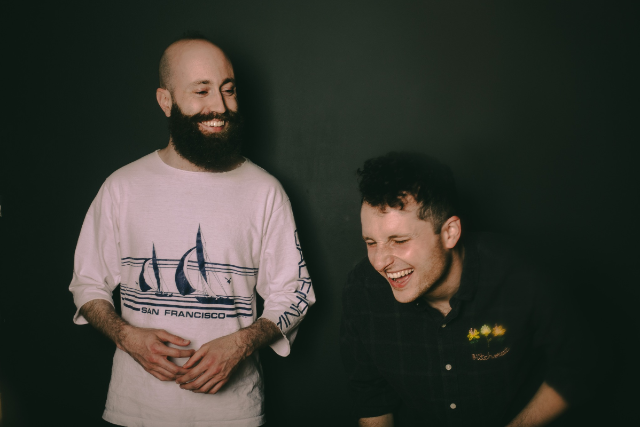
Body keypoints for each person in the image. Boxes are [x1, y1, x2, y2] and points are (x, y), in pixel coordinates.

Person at [69, 33, 315, 427]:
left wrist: (242, 343)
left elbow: (295, 294)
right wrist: (125, 336)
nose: (220, 106)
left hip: (235, 415)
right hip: (135, 412)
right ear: (166, 101)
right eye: (201, 91)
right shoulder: (122, 187)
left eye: (228, 90)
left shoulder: (265, 191)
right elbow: (87, 284)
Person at [341, 152, 592, 427]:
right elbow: (371, 398)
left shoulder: (519, 273)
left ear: (450, 232)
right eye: (371, 242)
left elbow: (579, 363)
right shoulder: (362, 290)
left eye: (399, 241)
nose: (379, 262)